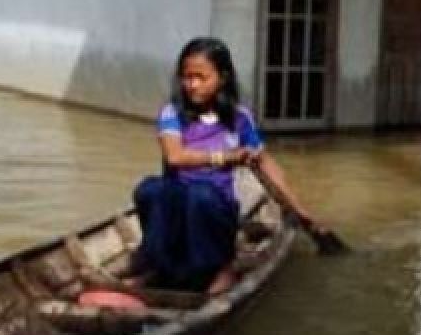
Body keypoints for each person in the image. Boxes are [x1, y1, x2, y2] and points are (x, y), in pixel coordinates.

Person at [132, 36, 320, 295]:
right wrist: (225, 157)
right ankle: (161, 262)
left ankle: (219, 266)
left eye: (201, 77)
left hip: (214, 209)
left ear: (221, 78)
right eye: (187, 77)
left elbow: (265, 164)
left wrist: (299, 209)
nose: (192, 85)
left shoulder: (239, 118)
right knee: (150, 189)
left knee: (200, 195)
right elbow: (175, 157)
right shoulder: (172, 113)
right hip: (178, 209)